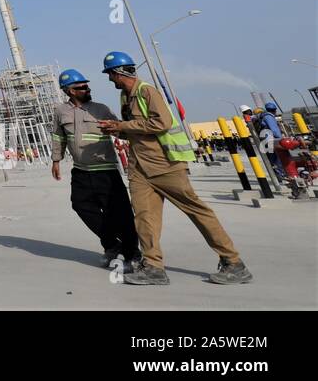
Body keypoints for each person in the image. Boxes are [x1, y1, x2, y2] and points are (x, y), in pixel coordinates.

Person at [96, 52, 251, 285]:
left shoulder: (147, 91)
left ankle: (233, 262)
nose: (110, 80)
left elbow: (161, 123)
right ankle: (153, 267)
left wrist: (122, 125)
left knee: (196, 211)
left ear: (119, 73)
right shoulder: (125, 97)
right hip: (139, 167)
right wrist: (117, 130)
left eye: (111, 75)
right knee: (144, 218)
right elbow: (136, 130)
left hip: (165, 165)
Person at [51, 68, 140, 268]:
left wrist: (123, 130)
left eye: (86, 85)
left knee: (120, 212)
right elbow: (58, 137)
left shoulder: (101, 109)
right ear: (70, 91)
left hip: (105, 169)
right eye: (81, 87)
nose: (87, 88)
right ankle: (111, 245)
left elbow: (122, 131)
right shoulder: (60, 112)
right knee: (80, 205)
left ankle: (132, 253)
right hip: (81, 170)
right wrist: (56, 161)